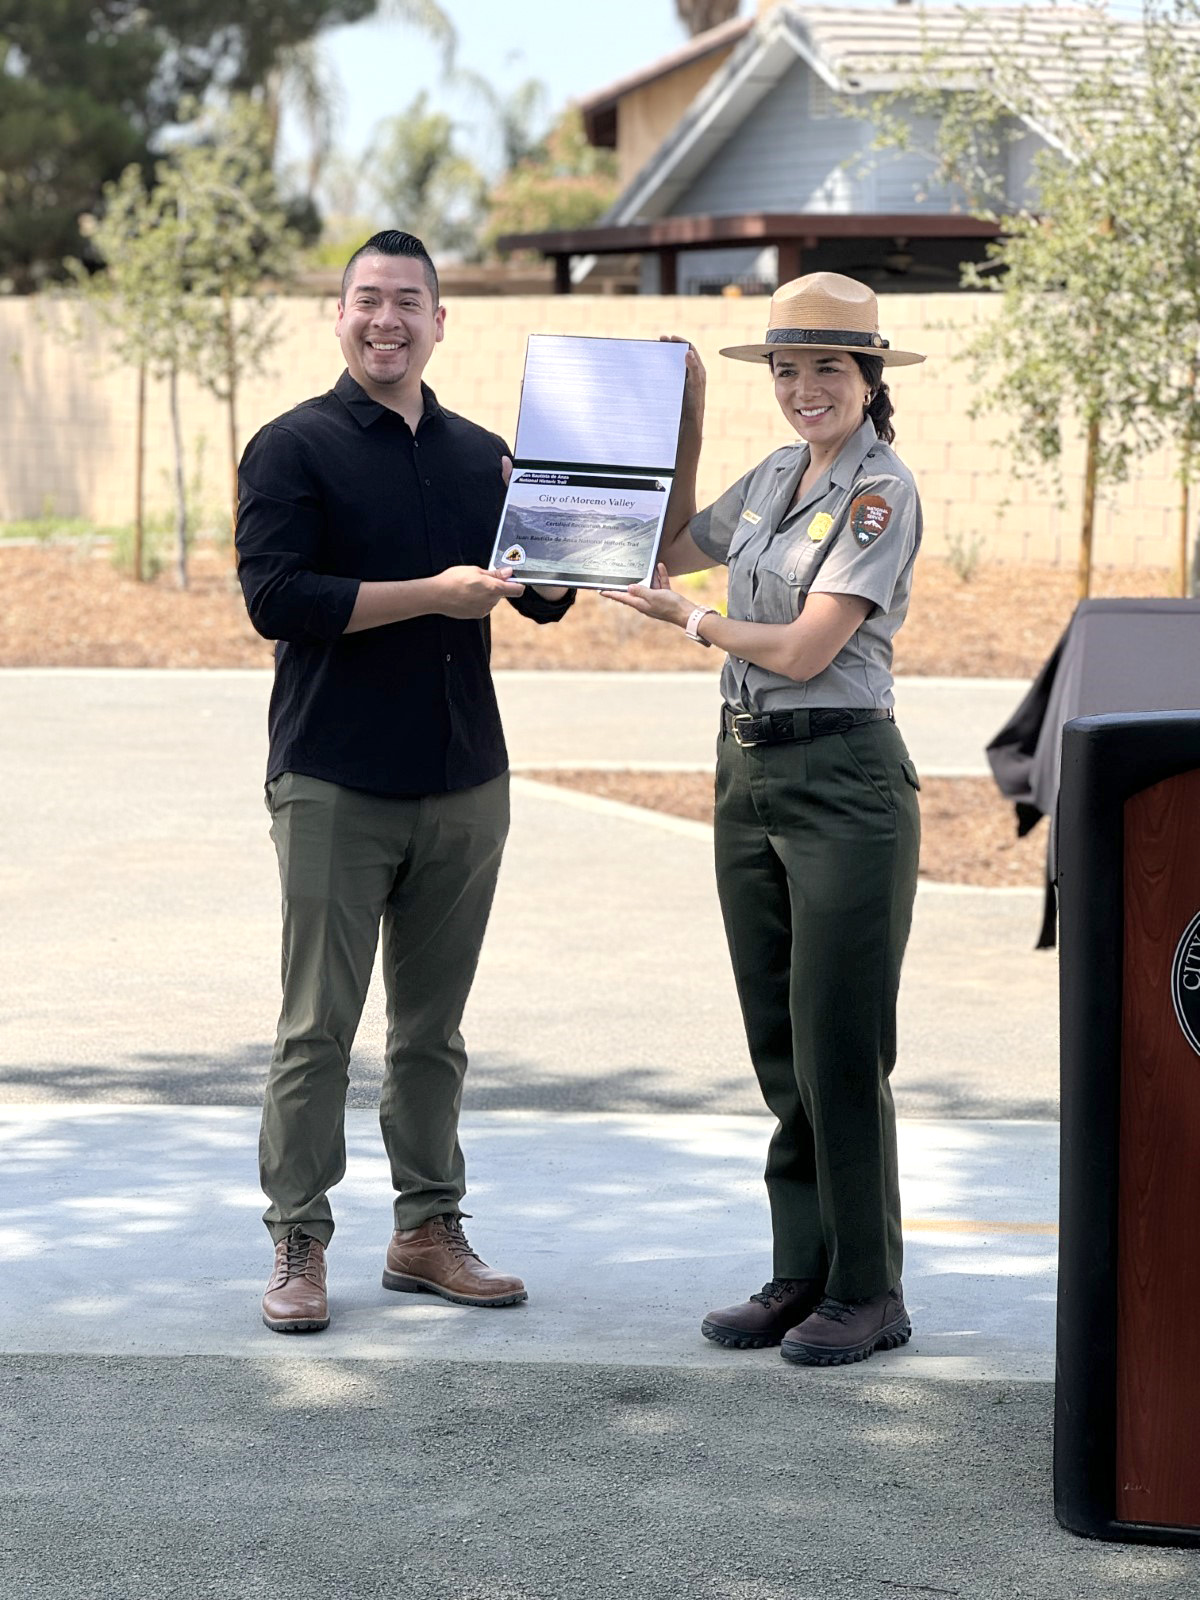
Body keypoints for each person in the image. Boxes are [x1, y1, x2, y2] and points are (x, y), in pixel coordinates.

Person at [235, 229, 574, 1334]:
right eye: (368, 300)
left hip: (465, 778)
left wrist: (580, 509)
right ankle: (299, 1235)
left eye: (408, 302)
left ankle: (429, 1228)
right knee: (316, 1028)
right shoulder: (290, 449)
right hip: (335, 778)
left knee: (433, 1032)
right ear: (338, 316)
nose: (387, 319)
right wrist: (431, 592)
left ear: (441, 320)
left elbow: (545, 596)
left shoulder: (486, 458)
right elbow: (279, 601)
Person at [603, 273, 924, 1366]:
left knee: (840, 1041)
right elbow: (678, 536)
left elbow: (804, 648)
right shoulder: (781, 472)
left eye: (826, 368)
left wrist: (693, 623)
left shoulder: (880, 492)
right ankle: (804, 1271)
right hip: (747, 773)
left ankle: (871, 1288)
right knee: (779, 1039)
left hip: (842, 778)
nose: (802, 389)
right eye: (786, 370)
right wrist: (683, 412)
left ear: (870, 377)